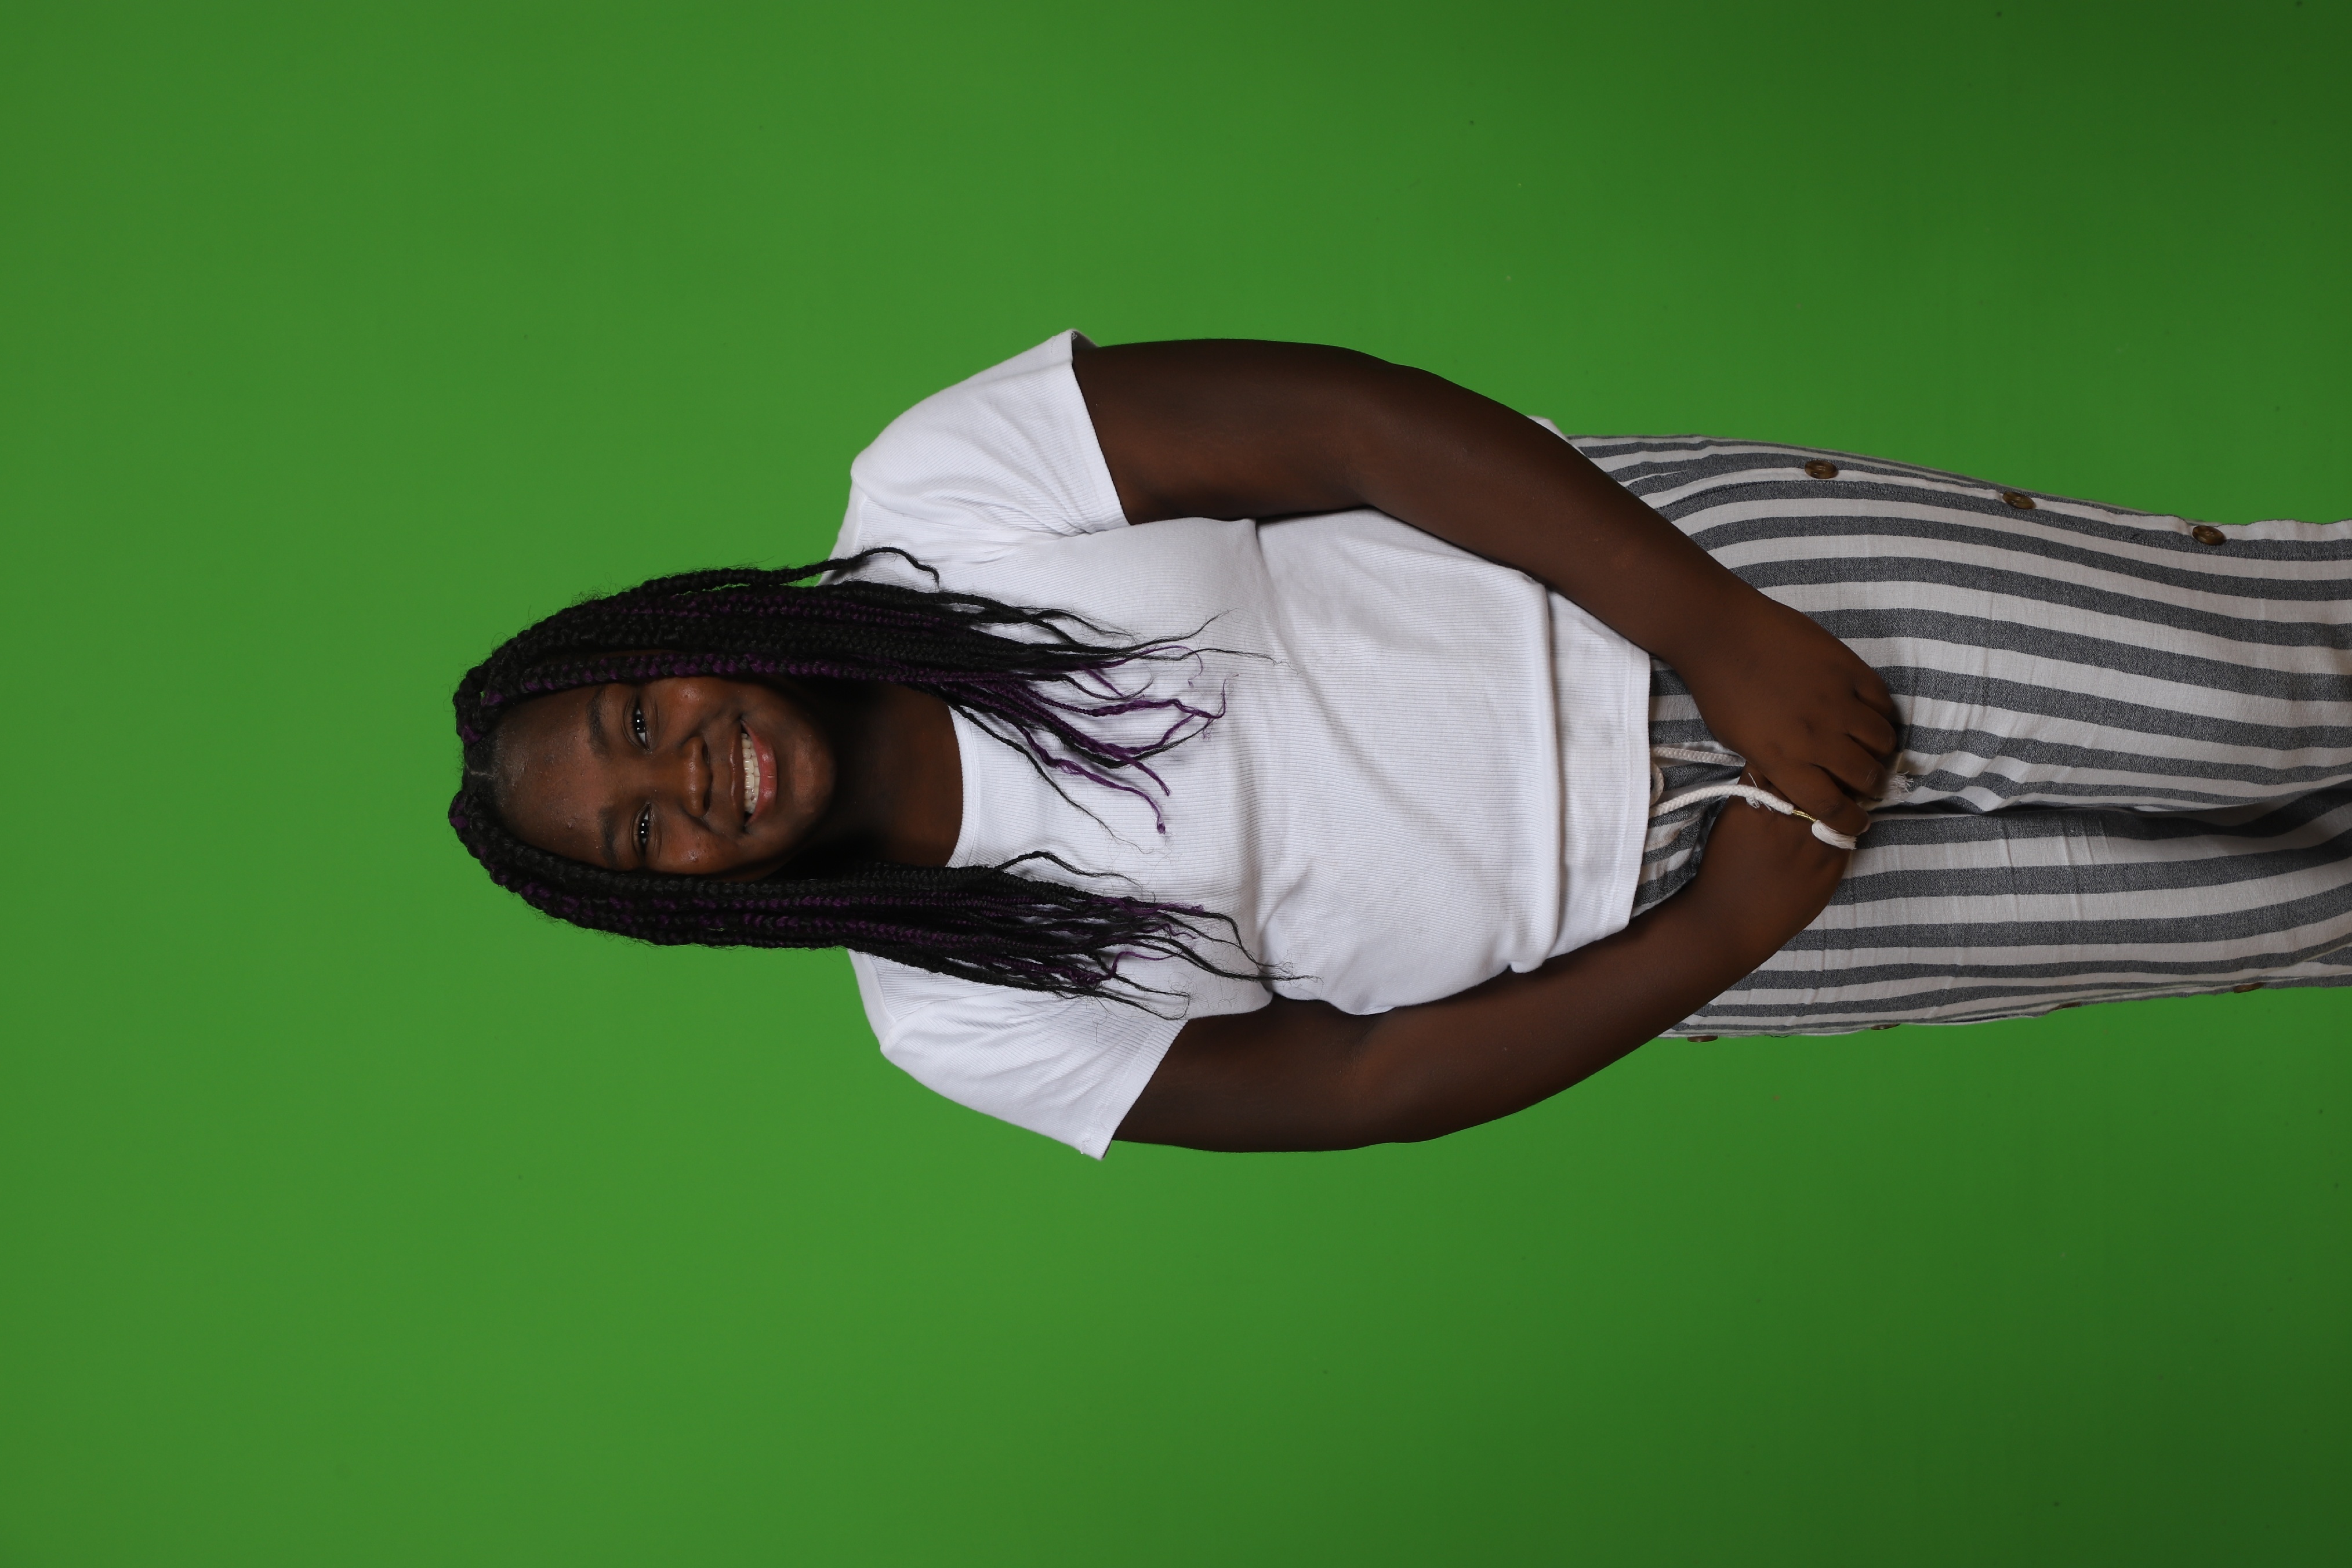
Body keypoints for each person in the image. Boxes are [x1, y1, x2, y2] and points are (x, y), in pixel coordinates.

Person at [452, 332, 2352, 1157]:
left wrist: (1717, 631)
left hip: (1683, 603)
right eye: (642, 832)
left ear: (670, 647)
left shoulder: (936, 495)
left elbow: (1348, 429)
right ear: (674, 903)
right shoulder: (953, 1019)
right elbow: (1359, 1083)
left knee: (2276, 691)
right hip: (1695, 929)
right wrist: (1721, 935)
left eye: (639, 718)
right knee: (2271, 908)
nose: (686, 776)